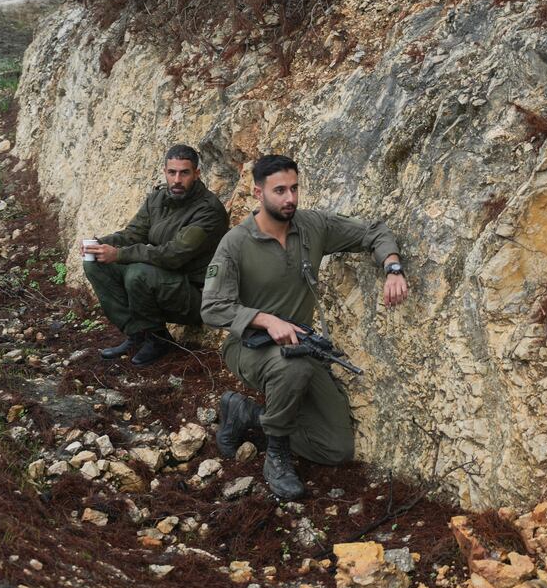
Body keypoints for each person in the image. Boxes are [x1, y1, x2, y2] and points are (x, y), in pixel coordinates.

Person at [202, 154, 408, 501]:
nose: (290, 198)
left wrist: (392, 267)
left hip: (302, 347)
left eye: (294, 188)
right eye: (280, 190)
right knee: (289, 368)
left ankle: (248, 414)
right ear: (258, 193)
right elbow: (212, 307)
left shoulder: (311, 226)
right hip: (248, 347)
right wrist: (266, 319)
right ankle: (277, 456)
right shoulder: (236, 243)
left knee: (336, 448)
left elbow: (374, 231)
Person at [82, 144, 230, 367]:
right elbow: (134, 234)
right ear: (165, 172)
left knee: (138, 273)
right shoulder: (157, 200)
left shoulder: (208, 211)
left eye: (184, 173)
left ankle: (159, 340)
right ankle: (138, 334)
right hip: (164, 281)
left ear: (197, 174)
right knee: (95, 264)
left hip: (195, 295)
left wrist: (120, 254)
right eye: (172, 172)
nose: (177, 179)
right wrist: (101, 244)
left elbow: (173, 255)